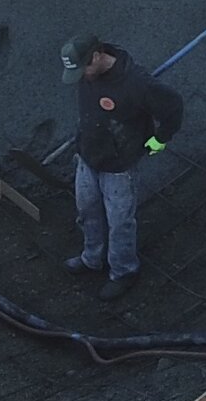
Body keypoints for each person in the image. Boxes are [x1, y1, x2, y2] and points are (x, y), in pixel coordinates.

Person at [62, 37, 183, 301]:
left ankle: (124, 271)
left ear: (96, 56)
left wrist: (159, 140)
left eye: (82, 69)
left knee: (120, 222)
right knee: (87, 209)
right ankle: (92, 257)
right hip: (88, 156)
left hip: (119, 164)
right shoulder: (86, 74)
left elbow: (173, 106)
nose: (80, 77)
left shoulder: (137, 83)